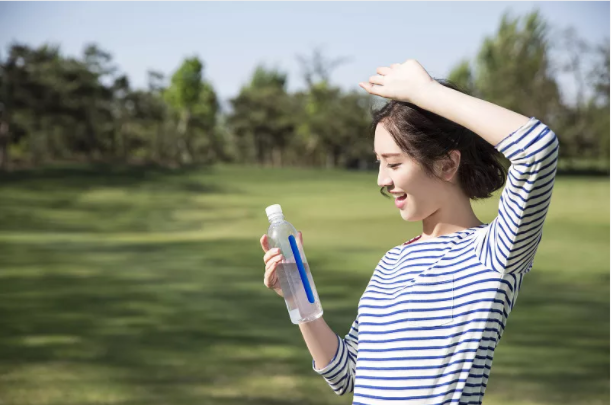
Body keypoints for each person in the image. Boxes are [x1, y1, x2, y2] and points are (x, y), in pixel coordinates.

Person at [259, 59, 559, 404]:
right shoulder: (392, 262)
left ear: (447, 164)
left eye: (395, 163)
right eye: (379, 162)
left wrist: (428, 93)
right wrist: (298, 297)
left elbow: (537, 149)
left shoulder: (494, 252)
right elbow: (346, 373)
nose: (382, 180)